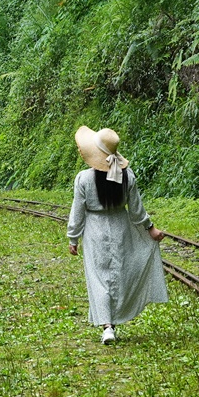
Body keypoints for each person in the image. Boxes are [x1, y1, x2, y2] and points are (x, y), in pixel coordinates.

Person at [66, 126, 167, 344]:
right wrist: (151, 228)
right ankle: (116, 318)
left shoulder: (83, 179)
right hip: (121, 227)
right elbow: (137, 209)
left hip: (94, 230)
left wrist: (73, 238)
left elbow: (78, 211)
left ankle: (107, 326)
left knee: (98, 279)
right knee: (119, 275)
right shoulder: (126, 176)